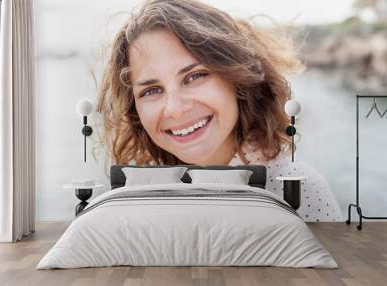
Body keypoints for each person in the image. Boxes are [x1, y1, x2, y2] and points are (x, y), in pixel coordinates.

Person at [97, 0, 342, 221]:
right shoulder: (138, 194)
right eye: (151, 90)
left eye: (195, 76)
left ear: (236, 76)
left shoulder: (300, 192)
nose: (175, 109)